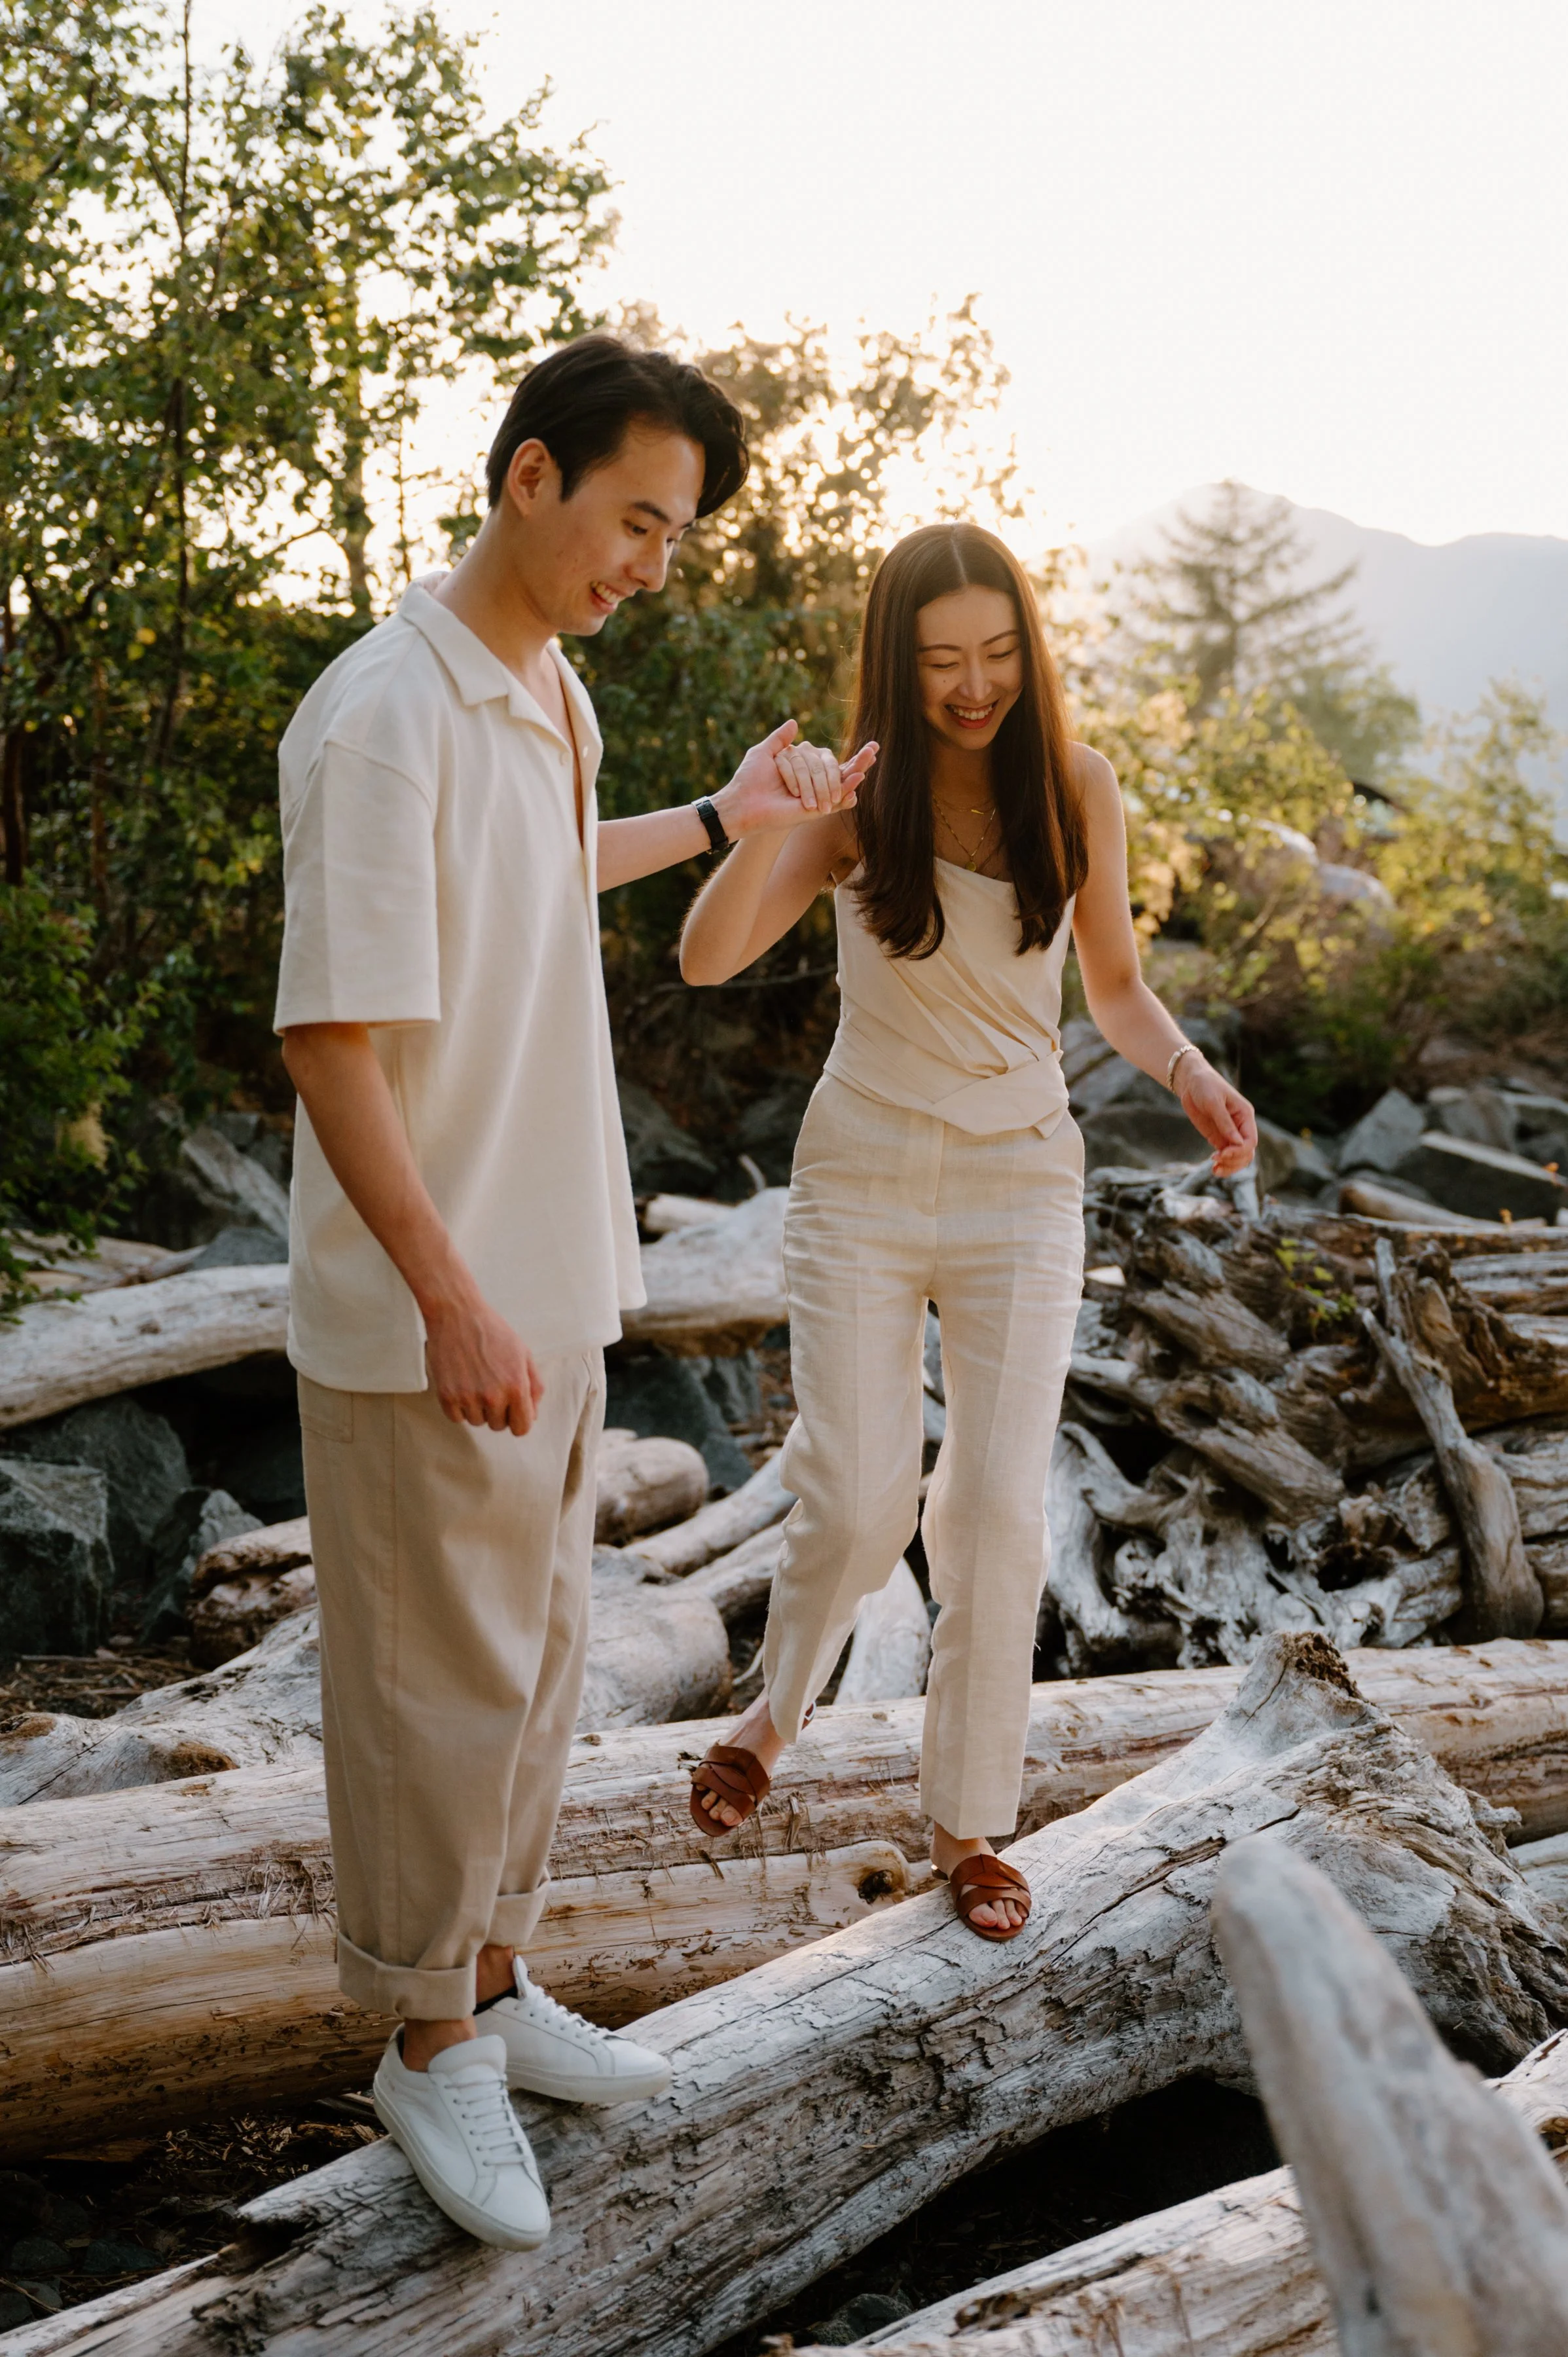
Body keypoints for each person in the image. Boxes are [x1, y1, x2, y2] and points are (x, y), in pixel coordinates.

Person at [273, 333, 867, 2250]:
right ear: (528, 478)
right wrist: (445, 1293)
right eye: (634, 518)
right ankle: (423, 2037)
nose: (649, 562)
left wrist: (721, 817)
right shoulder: (386, 715)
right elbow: (333, 1043)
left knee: (528, 1680)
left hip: (555, 1277)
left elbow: (538, 878)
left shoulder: (547, 695)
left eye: (673, 536)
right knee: (432, 1696)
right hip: (434, 1302)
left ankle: (500, 1990)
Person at [679, 521, 1256, 1939]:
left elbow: (1112, 988)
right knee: (866, 1495)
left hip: (1023, 1184)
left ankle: (965, 1826)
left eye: (999, 653)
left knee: (999, 1509)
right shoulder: (859, 798)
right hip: (863, 1171)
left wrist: (1186, 1072)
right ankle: (777, 1708)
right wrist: (771, 823)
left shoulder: (1077, 784)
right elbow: (704, 956)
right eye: (942, 660)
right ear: (899, 661)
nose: (975, 683)